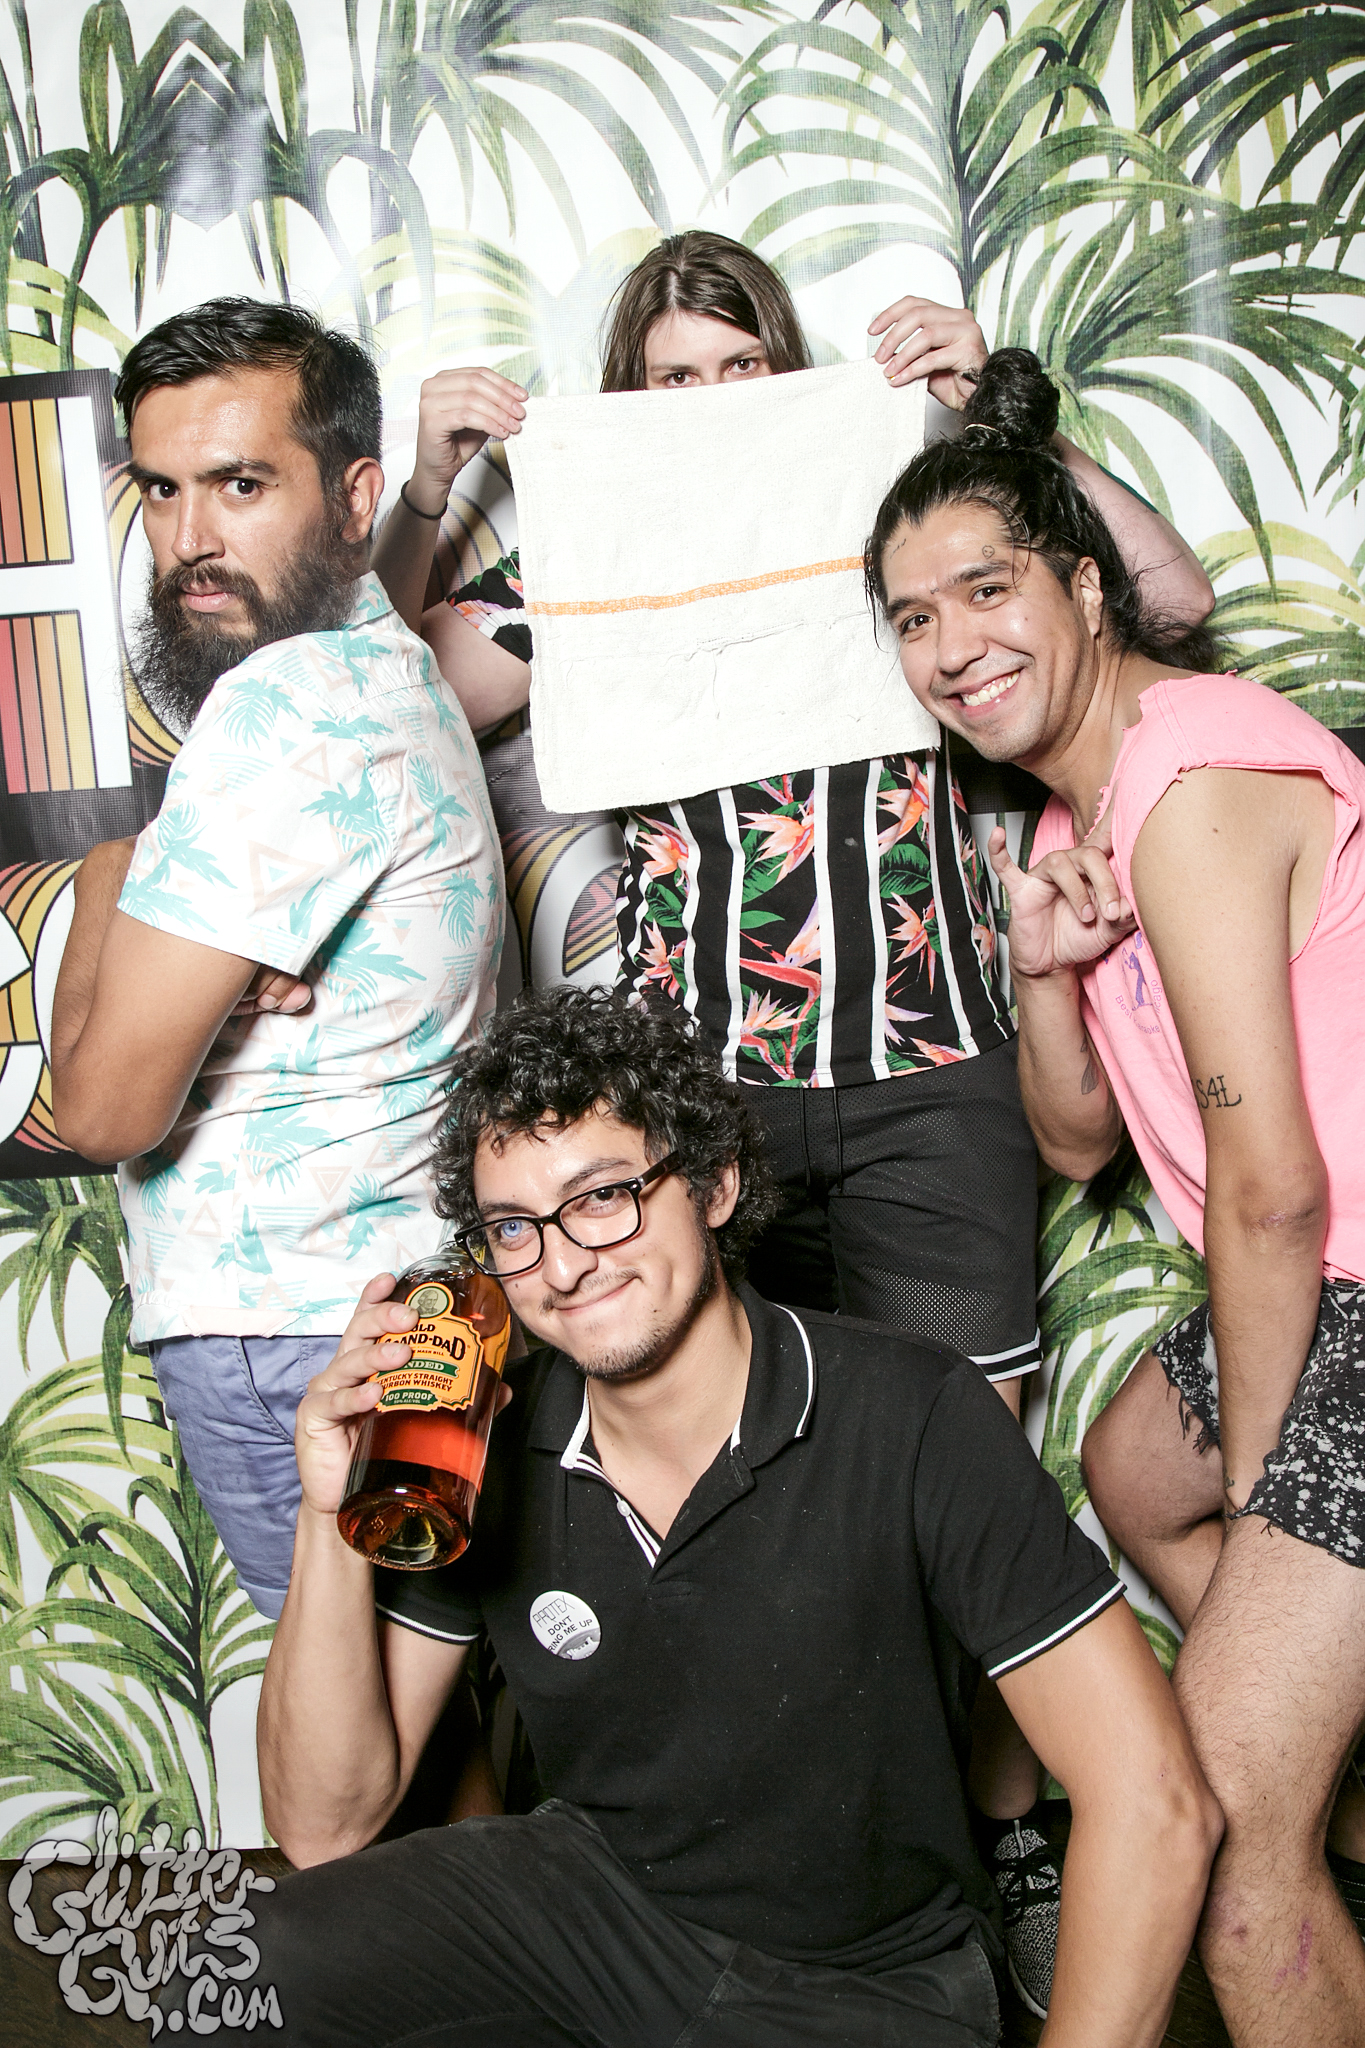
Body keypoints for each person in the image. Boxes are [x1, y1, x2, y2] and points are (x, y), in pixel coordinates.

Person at [369, 230, 1215, 2015]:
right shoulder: (585, 567)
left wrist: (1005, 417)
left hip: (929, 1073)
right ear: (624, 400)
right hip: (696, 1111)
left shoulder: (890, 521)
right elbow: (392, 688)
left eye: (739, 365)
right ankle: (752, 1882)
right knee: (745, 1509)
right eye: (670, 377)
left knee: (950, 1483)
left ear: (792, 372)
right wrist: (433, 491)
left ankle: (1001, 1860)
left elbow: (1173, 594)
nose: (710, 402)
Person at [221, 985, 1221, 2048]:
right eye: (515, 1226)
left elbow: (1156, 1803)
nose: (563, 1262)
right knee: (242, 1973)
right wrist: (330, 1508)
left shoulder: (916, 1412)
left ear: (714, 1183)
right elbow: (325, 1824)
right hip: (590, 1913)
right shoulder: (488, 1439)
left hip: (870, 1982)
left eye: (603, 1196)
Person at [864, 345, 1365, 2048]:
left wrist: (1275, 1491)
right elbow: (1079, 1146)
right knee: (1132, 1465)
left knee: (1221, 1845)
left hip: (1347, 1272)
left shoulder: (1195, 776)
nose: (951, 645)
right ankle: (1316, 1748)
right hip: (1329, 1281)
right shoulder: (1078, 815)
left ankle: (1285, 1803)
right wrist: (1046, 971)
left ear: (1084, 584)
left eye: (985, 588)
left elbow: (1272, 1193)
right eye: (912, 618)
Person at [49, 298, 504, 1621]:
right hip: (418, 1297)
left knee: (338, 1725)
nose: (191, 538)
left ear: (354, 496)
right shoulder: (384, 661)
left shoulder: (280, 706)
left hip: (289, 1328)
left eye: (241, 485)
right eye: (162, 489)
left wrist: (110, 875)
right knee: (418, 1692)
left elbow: (100, 1112)